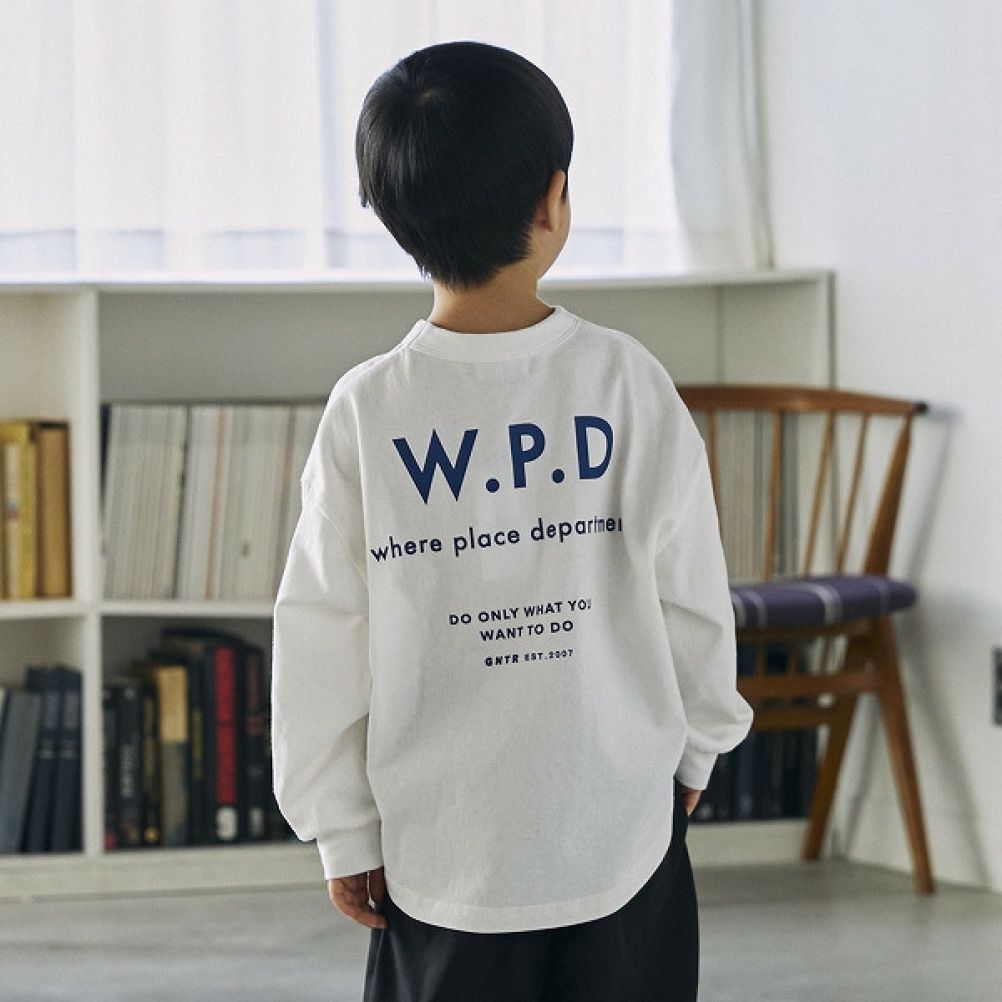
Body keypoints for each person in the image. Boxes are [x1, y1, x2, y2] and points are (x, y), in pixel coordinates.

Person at [271, 39, 754, 1002]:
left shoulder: (369, 409)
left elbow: (321, 631)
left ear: (390, 215)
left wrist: (342, 827)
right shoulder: (627, 380)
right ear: (551, 201)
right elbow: (692, 589)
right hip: (621, 832)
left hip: (443, 855)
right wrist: (702, 737)